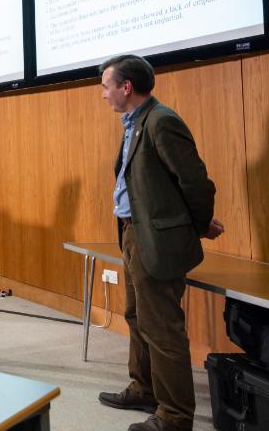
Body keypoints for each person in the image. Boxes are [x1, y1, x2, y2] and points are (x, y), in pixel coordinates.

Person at [95, 55, 222, 431]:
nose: (103, 94)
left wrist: (197, 225)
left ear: (126, 87)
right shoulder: (133, 123)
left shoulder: (161, 120)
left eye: (106, 86)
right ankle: (145, 388)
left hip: (156, 240)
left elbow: (195, 181)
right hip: (133, 234)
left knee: (162, 327)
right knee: (137, 317)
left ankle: (175, 415)